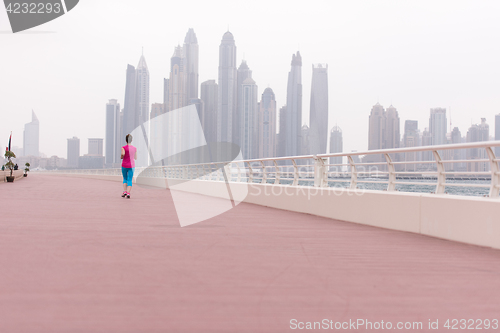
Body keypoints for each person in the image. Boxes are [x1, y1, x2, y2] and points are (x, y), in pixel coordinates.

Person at [121, 134, 137, 199]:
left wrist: (122, 156)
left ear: (126, 140)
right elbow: (135, 157)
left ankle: (124, 191)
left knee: (125, 178)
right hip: (132, 165)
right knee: (130, 179)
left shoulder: (123, 148)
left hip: (124, 165)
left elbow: (122, 154)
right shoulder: (134, 148)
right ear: (131, 140)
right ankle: (128, 193)